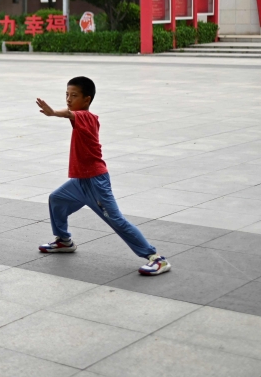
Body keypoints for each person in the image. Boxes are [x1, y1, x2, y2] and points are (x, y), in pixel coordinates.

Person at [36, 76, 171, 276]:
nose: (68, 99)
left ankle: (156, 259)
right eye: (66, 95)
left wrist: (53, 112)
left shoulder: (87, 117)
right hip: (80, 182)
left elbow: (69, 114)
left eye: (74, 95)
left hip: (96, 182)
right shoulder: (80, 117)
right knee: (56, 199)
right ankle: (64, 241)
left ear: (87, 100)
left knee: (116, 220)